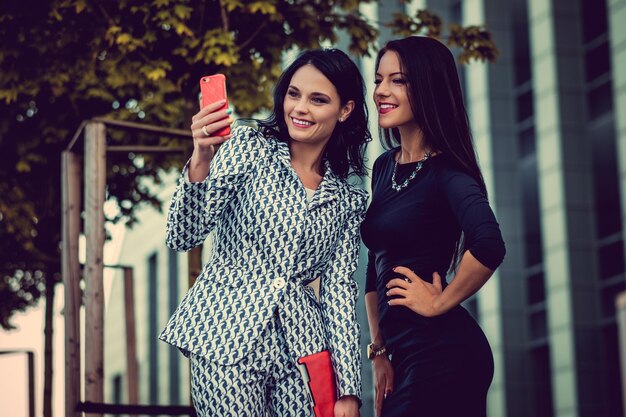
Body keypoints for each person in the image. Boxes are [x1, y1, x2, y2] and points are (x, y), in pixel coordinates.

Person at [159, 48, 371, 417]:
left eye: (318, 99)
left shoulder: (348, 199)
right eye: (294, 93)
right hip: (224, 334)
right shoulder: (248, 147)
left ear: (345, 110)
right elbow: (183, 236)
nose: (300, 108)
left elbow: (338, 292)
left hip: (301, 348)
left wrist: (348, 389)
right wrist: (201, 160)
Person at [360, 36, 506, 417]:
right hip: (402, 355)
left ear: (428, 86)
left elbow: (489, 244)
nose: (381, 91)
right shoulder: (384, 167)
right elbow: (377, 265)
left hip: (444, 356)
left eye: (398, 80)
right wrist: (379, 351)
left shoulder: (448, 173)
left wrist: (441, 301)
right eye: (378, 79)